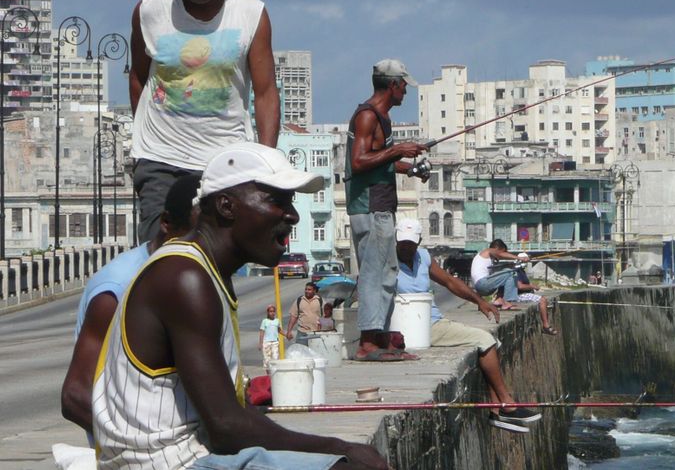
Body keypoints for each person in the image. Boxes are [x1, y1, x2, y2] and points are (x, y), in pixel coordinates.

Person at [92, 142, 387, 469]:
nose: (292, 215)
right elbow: (227, 428)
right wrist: (338, 447)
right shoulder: (183, 277)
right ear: (226, 206)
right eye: (277, 200)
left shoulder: (207, 272)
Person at [129, 0, 280, 243]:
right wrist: (142, 144)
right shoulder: (150, 10)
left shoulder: (251, 14)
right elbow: (139, 77)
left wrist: (267, 162)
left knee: (214, 258)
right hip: (160, 160)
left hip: (224, 160)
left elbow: (266, 92)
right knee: (160, 255)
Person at [61, 174, 200, 438]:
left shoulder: (193, 274)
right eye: (196, 237)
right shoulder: (119, 286)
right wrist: (138, 447)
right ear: (167, 224)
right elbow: (75, 397)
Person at [394, 219, 542, 433]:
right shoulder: (387, 262)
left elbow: (450, 282)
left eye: (410, 243)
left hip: (435, 321)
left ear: (419, 242)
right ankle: (506, 405)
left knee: (490, 341)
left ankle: (497, 411)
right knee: (485, 340)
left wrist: (479, 301)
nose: (406, 248)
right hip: (417, 329)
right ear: (396, 240)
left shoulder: (424, 257)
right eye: (402, 243)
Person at [345, 59, 429, 362]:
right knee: (373, 273)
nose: (406, 91)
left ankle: (379, 338)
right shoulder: (367, 116)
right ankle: (368, 343)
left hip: (380, 205)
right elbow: (358, 162)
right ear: (392, 85)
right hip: (369, 206)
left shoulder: (382, 117)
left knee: (388, 272)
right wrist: (397, 149)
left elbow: (379, 160)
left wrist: (409, 167)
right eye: (404, 85)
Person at [470, 239, 530, 310]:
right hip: (482, 284)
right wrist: (520, 258)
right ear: (497, 248)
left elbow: (500, 275)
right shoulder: (488, 250)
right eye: (503, 251)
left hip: (479, 288)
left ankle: (499, 300)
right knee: (512, 272)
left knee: (505, 274)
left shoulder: (485, 259)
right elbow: (500, 254)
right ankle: (507, 302)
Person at [258, 304, 286, 374]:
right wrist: (260, 343)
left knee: (275, 358)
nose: (272, 313)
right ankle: (268, 375)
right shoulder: (265, 321)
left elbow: (279, 330)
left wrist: (287, 335)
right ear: (267, 312)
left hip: (275, 342)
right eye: (270, 311)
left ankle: (274, 374)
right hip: (266, 342)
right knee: (267, 360)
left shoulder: (277, 321)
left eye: (273, 311)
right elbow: (262, 332)